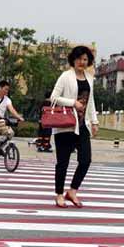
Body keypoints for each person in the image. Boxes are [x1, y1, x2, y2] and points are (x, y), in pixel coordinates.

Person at [49, 45, 98, 208]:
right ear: (73, 59)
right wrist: (73, 103)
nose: (82, 62)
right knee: (62, 162)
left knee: (86, 160)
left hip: (82, 125)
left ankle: (72, 190)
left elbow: (91, 102)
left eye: (85, 59)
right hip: (65, 125)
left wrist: (95, 121)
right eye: (79, 58)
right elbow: (53, 98)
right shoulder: (65, 76)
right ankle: (59, 194)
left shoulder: (90, 78)